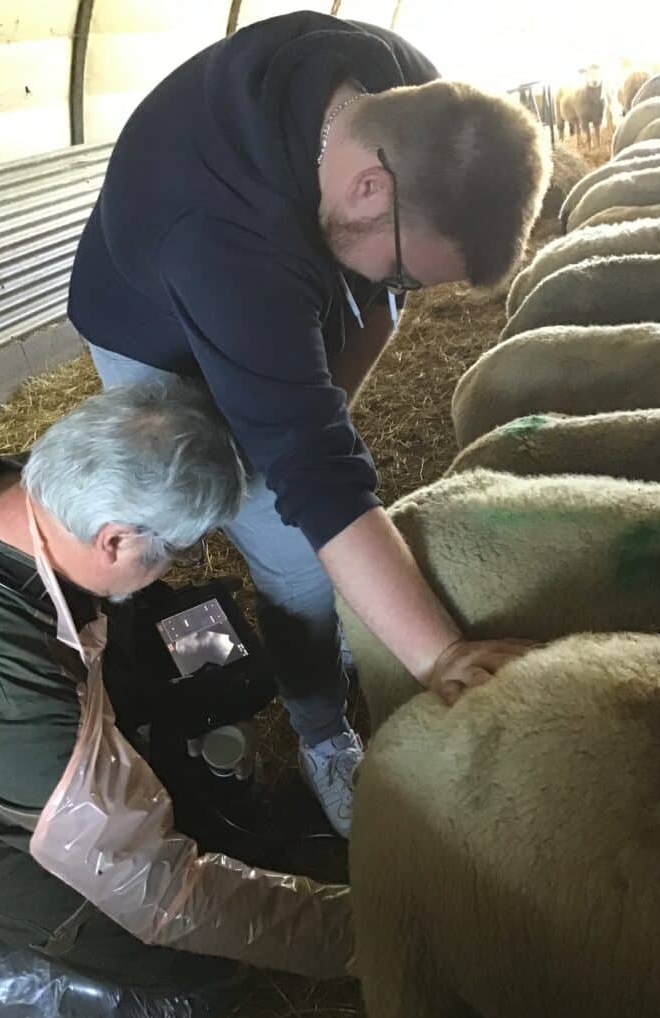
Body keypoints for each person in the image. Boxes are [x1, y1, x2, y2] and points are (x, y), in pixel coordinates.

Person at [68, 11, 549, 838]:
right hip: (151, 330)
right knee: (201, 528)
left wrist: (314, 415)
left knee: (289, 518)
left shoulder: (407, 98)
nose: (400, 286)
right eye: (403, 268)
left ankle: (318, 722)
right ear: (369, 187)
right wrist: (439, 658)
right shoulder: (226, 236)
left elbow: (369, 323)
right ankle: (129, 687)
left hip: (279, 283)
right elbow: (319, 474)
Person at [0, 380, 354, 1006]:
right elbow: (166, 894)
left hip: (17, 735)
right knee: (197, 964)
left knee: (185, 662)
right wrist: (364, 933)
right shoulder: (18, 702)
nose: (181, 561)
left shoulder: (19, 485)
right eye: (177, 547)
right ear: (115, 538)